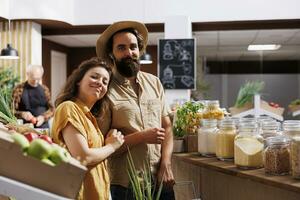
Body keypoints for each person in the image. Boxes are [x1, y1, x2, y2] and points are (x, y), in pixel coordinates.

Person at [96, 21, 175, 200]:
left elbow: (167, 127)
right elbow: (102, 147)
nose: (128, 53)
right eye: (121, 48)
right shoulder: (104, 89)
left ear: (139, 50)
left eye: (133, 47)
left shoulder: (154, 82)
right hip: (126, 187)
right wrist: (141, 136)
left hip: (160, 180)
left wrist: (166, 163)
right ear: (111, 53)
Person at [51, 57, 124, 200]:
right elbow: (82, 156)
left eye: (105, 82)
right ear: (79, 80)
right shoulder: (69, 107)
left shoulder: (89, 118)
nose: (100, 83)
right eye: (94, 77)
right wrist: (112, 146)